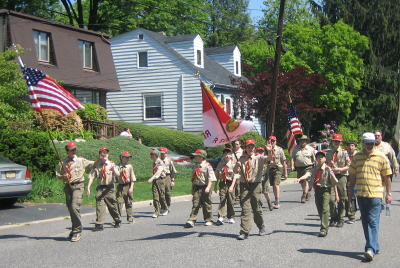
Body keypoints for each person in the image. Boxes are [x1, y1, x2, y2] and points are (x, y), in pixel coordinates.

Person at [349, 132, 392, 262]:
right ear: (363, 143)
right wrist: (351, 191)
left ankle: (370, 248)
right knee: (365, 221)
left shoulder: (381, 156)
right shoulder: (357, 157)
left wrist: (388, 193)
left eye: (372, 143)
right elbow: (352, 174)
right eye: (367, 143)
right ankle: (375, 245)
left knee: (373, 221)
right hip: (361, 194)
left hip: (376, 194)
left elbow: (387, 176)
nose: (369, 145)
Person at [56, 142, 98, 242]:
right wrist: (63, 176)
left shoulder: (81, 161)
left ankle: (77, 231)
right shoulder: (63, 162)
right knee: (71, 209)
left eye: (75, 149)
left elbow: (94, 164)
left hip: (78, 186)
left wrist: (101, 158)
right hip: (68, 187)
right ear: (67, 151)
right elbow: (58, 175)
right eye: (71, 150)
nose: (74, 151)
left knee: (75, 207)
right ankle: (74, 229)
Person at [294, 151, 339, 237]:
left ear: (325, 159)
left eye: (321, 157)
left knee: (325, 209)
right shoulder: (314, 169)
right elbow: (307, 174)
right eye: (318, 157)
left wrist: (336, 194)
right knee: (319, 209)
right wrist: (300, 178)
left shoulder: (328, 169)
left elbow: (334, 183)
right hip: (317, 190)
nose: (320, 158)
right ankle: (324, 222)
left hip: (326, 190)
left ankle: (324, 229)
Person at [234, 139, 268, 240]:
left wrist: (269, 151)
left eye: (252, 147)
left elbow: (269, 159)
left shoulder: (259, 158)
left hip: (256, 185)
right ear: (246, 148)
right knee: (245, 209)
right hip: (244, 185)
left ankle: (261, 226)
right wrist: (237, 165)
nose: (250, 149)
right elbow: (235, 170)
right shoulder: (242, 158)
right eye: (249, 147)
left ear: (255, 148)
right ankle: (244, 231)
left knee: (257, 208)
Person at [87, 147, 122, 231]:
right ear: (100, 155)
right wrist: (88, 187)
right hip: (100, 188)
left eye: (106, 153)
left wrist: (114, 170)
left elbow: (118, 174)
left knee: (112, 206)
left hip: (109, 188)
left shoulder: (112, 164)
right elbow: (92, 177)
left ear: (108, 155)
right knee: (100, 205)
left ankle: (117, 219)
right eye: (102, 153)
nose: (104, 154)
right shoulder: (97, 166)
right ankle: (99, 224)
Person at [325, 134, 352, 227]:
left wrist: (340, 169)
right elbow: (325, 165)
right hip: (331, 176)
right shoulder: (328, 153)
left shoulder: (344, 153)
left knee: (341, 198)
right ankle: (333, 216)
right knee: (331, 199)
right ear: (332, 142)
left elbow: (349, 165)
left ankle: (340, 218)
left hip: (341, 176)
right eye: (335, 141)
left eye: (338, 141)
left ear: (340, 142)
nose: (336, 143)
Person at [185, 149, 217, 227]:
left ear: (202, 157)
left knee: (206, 204)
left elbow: (211, 177)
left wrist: (208, 187)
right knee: (195, 203)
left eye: (197, 156)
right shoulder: (196, 165)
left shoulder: (207, 166)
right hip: (196, 187)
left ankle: (209, 219)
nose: (195, 157)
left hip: (205, 187)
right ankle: (192, 220)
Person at [214, 148, 237, 225]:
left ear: (231, 155)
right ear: (223, 155)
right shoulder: (220, 164)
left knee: (230, 200)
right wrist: (215, 185)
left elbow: (235, 176)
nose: (227, 156)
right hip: (222, 183)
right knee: (222, 199)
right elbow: (217, 174)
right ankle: (221, 216)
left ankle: (231, 217)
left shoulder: (233, 164)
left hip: (230, 183)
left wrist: (232, 186)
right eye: (225, 154)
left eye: (229, 154)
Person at [291, 135, 316, 203]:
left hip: (308, 167)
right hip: (299, 168)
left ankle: (304, 196)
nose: (303, 141)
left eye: (304, 140)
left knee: (305, 181)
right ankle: (307, 193)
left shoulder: (310, 149)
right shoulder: (296, 149)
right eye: (302, 140)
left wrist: (316, 167)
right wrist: (292, 166)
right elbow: (293, 158)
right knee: (301, 182)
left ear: (307, 141)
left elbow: (314, 159)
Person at [265, 136, 288, 209]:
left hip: (278, 168)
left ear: (276, 141)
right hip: (270, 168)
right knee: (272, 185)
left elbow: (283, 161)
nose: (272, 142)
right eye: (271, 141)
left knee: (276, 184)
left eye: (273, 141)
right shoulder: (266, 149)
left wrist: (285, 172)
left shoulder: (279, 149)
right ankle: (274, 200)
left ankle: (277, 201)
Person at [115, 151, 136, 224]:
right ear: (121, 157)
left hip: (128, 185)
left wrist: (131, 188)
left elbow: (133, 178)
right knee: (119, 202)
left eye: (128, 157)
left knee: (128, 202)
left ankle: (130, 218)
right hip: (120, 186)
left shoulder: (129, 167)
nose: (128, 159)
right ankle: (118, 218)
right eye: (126, 157)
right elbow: (114, 178)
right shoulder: (117, 167)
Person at [148, 149, 168, 218]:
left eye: (151, 156)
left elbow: (159, 172)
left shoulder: (159, 162)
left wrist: (152, 178)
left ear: (154, 156)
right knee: (155, 196)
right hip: (155, 180)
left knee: (162, 195)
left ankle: (165, 208)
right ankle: (157, 211)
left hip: (160, 180)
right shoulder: (154, 162)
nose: (150, 157)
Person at [159, 147, 177, 213]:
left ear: (166, 153)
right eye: (161, 153)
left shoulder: (169, 161)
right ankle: (163, 207)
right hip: (160, 177)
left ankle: (167, 206)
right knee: (161, 192)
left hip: (167, 177)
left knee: (168, 192)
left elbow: (173, 171)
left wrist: (172, 180)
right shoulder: (158, 161)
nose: (163, 155)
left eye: (164, 153)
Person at [346, 140, 359, 223]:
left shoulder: (358, 155)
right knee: (349, 196)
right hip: (347, 177)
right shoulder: (344, 154)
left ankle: (354, 213)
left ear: (355, 147)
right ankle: (351, 214)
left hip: (357, 178)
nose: (351, 147)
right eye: (349, 146)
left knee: (356, 196)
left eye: (352, 146)